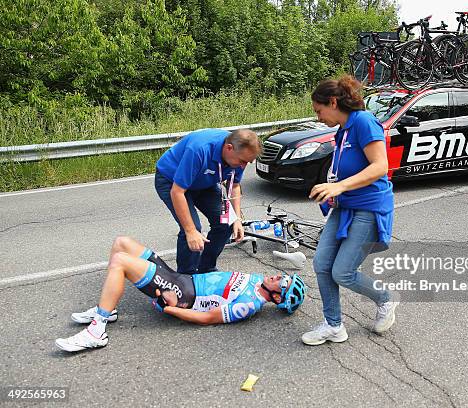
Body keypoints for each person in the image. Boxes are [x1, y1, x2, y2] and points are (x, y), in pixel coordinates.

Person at [55, 236, 306, 352]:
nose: (278, 277)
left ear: (276, 299)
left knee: (121, 261)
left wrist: (170, 309)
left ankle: (97, 330)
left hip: (181, 294)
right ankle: (107, 310)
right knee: (122, 242)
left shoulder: (249, 304)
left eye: (282, 284)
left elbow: (208, 318)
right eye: (284, 276)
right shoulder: (258, 281)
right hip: (180, 279)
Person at [301, 75, 397, 346]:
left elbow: (380, 166)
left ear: (333, 102)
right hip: (344, 206)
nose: (318, 117)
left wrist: (339, 186)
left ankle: (385, 299)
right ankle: (334, 326)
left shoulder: (364, 122)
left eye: (319, 111)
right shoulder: (342, 130)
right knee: (322, 264)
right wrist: (329, 188)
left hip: (368, 208)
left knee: (342, 272)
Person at [155, 128, 261, 275]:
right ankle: (186, 278)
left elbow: (234, 186)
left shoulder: (239, 157)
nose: (243, 166)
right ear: (229, 148)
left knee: (227, 223)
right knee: (193, 229)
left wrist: (237, 219)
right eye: (242, 161)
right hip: (172, 181)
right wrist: (190, 231)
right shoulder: (199, 149)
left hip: (204, 182)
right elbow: (177, 192)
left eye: (247, 163)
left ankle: (206, 269)